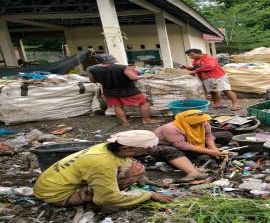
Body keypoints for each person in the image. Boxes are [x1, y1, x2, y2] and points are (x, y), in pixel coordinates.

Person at [34, 130, 172, 207]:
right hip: (56, 195)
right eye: (146, 149)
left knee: (136, 167)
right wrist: (149, 195)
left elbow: (128, 161)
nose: (148, 151)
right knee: (131, 173)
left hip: (49, 184)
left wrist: (144, 179)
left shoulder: (106, 147)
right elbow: (106, 199)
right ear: (127, 148)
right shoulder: (102, 163)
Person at [150, 110, 233, 182]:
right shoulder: (171, 128)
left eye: (202, 120)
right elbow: (182, 145)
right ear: (189, 121)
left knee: (226, 135)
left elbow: (208, 136)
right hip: (165, 146)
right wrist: (208, 151)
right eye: (198, 121)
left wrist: (213, 149)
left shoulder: (204, 123)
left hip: (191, 143)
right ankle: (193, 172)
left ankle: (197, 155)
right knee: (169, 150)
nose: (202, 123)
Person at [88, 54, 161, 126]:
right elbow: (133, 78)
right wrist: (145, 76)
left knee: (118, 106)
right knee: (145, 102)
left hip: (110, 92)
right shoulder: (123, 67)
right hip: (128, 91)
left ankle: (125, 123)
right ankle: (146, 120)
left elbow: (93, 80)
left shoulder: (93, 69)